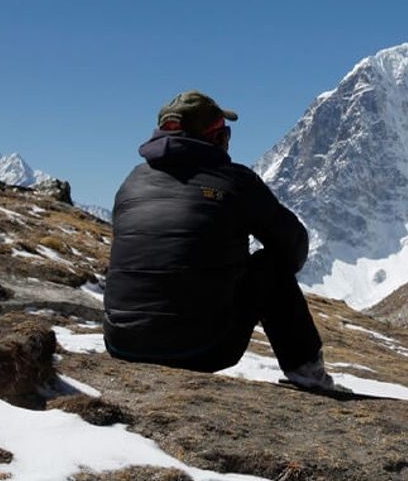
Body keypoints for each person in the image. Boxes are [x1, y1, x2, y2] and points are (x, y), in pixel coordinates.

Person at [103, 90, 335, 391]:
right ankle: (308, 373)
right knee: (270, 264)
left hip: (122, 345)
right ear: (214, 138)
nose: (228, 141)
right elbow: (293, 249)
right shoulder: (235, 181)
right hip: (202, 349)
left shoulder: (131, 182)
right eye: (225, 134)